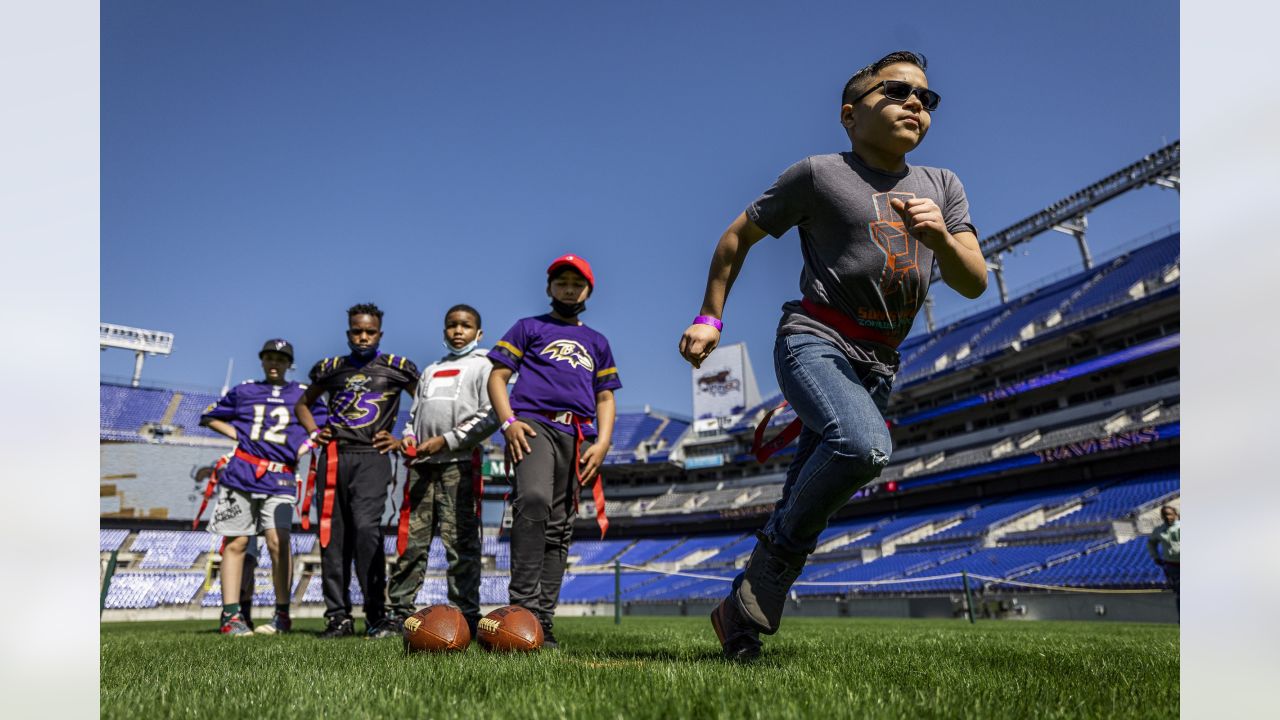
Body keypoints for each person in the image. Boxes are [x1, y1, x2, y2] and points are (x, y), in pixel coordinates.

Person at [678, 51, 987, 661]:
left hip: (879, 362)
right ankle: (764, 575)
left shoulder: (943, 186)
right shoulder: (818, 174)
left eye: (927, 98)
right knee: (863, 445)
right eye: (896, 91)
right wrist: (710, 316)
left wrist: (942, 239)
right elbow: (737, 235)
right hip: (814, 338)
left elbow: (973, 280)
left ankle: (742, 618)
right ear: (850, 114)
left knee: (809, 494)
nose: (915, 103)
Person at [487, 254, 621, 649]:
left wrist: (603, 442)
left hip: (576, 434)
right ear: (549, 288)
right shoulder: (529, 327)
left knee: (560, 525)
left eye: (576, 284)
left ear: (588, 291)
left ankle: (542, 624)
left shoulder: (597, 341)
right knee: (533, 500)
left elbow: (606, 397)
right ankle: (521, 612)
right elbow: (498, 377)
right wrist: (509, 422)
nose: (568, 289)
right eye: (561, 282)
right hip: (534, 424)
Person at [295, 304, 419, 639]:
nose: (362, 337)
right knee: (333, 539)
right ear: (348, 332)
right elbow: (303, 404)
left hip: (372, 457)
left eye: (370, 331)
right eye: (356, 331)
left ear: (380, 333)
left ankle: (377, 616)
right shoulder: (332, 368)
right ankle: (338, 617)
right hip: (334, 459)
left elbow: (424, 403)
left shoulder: (398, 368)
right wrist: (313, 432)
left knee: (367, 531)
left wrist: (403, 439)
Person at [384, 304, 498, 639]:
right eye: (451, 325)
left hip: (459, 465)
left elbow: (491, 414)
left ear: (479, 333)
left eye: (465, 325)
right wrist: (408, 438)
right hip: (422, 466)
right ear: (444, 331)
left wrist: (447, 441)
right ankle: (400, 613)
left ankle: (466, 615)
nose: (457, 331)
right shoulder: (431, 370)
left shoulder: (485, 365)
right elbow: (414, 415)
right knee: (411, 544)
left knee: (460, 543)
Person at [200, 339, 326, 636]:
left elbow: (321, 427)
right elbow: (210, 417)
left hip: (280, 477)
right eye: (269, 357)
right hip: (241, 472)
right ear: (261, 360)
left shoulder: (301, 394)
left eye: (280, 359)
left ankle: (282, 614)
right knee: (237, 543)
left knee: (277, 541)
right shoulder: (245, 390)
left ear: (288, 363)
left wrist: (304, 446)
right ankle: (231, 615)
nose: (274, 363)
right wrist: (236, 434)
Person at [1146, 504, 1180, 613]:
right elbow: (1151, 543)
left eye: (1169, 514)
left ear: (1175, 514)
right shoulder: (1159, 530)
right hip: (1172, 566)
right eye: (1164, 515)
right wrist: (1155, 556)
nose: (1167, 517)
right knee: (1180, 592)